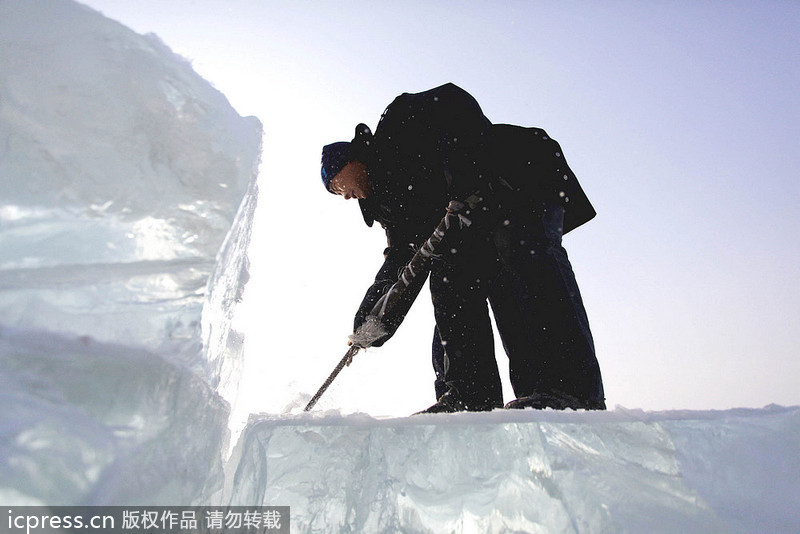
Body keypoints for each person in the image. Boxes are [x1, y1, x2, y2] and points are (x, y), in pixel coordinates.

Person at [320, 83, 605, 413]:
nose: (343, 195)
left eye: (338, 183)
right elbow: (403, 262)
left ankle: (566, 389)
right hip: (477, 223)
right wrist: (371, 321)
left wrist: (464, 174)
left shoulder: (397, 124)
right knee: (449, 278)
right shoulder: (396, 211)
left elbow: (452, 100)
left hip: (517, 179)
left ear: (353, 161)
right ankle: (470, 397)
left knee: (521, 259)